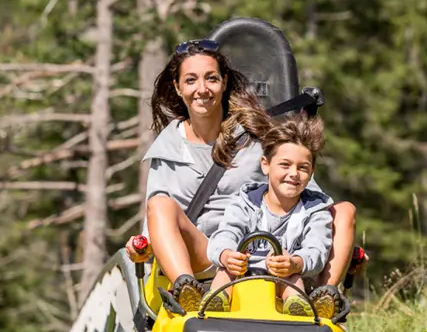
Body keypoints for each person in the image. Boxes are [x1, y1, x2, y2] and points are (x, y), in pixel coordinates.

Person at [126, 37, 363, 314]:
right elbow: (154, 224)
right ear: (178, 87)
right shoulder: (167, 149)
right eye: (191, 80)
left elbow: (307, 193)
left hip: (269, 250)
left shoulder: (255, 136)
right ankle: (186, 290)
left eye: (211, 79)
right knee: (159, 204)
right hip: (209, 255)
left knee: (344, 210)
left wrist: (340, 249)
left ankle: (325, 297)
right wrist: (141, 249)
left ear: (224, 83)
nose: (202, 89)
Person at [203, 108, 332, 316]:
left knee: (293, 279)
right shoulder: (245, 202)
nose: (293, 174)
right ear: (266, 165)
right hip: (244, 276)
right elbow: (226, 234)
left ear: (312, 172)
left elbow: (317, 250)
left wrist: (295, 262)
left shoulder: (315, 210)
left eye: (303, 168)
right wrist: (227, 255)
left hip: (285, 278)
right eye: (285, 165)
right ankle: (216, 302)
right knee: (226, 272)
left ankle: (297, 310)